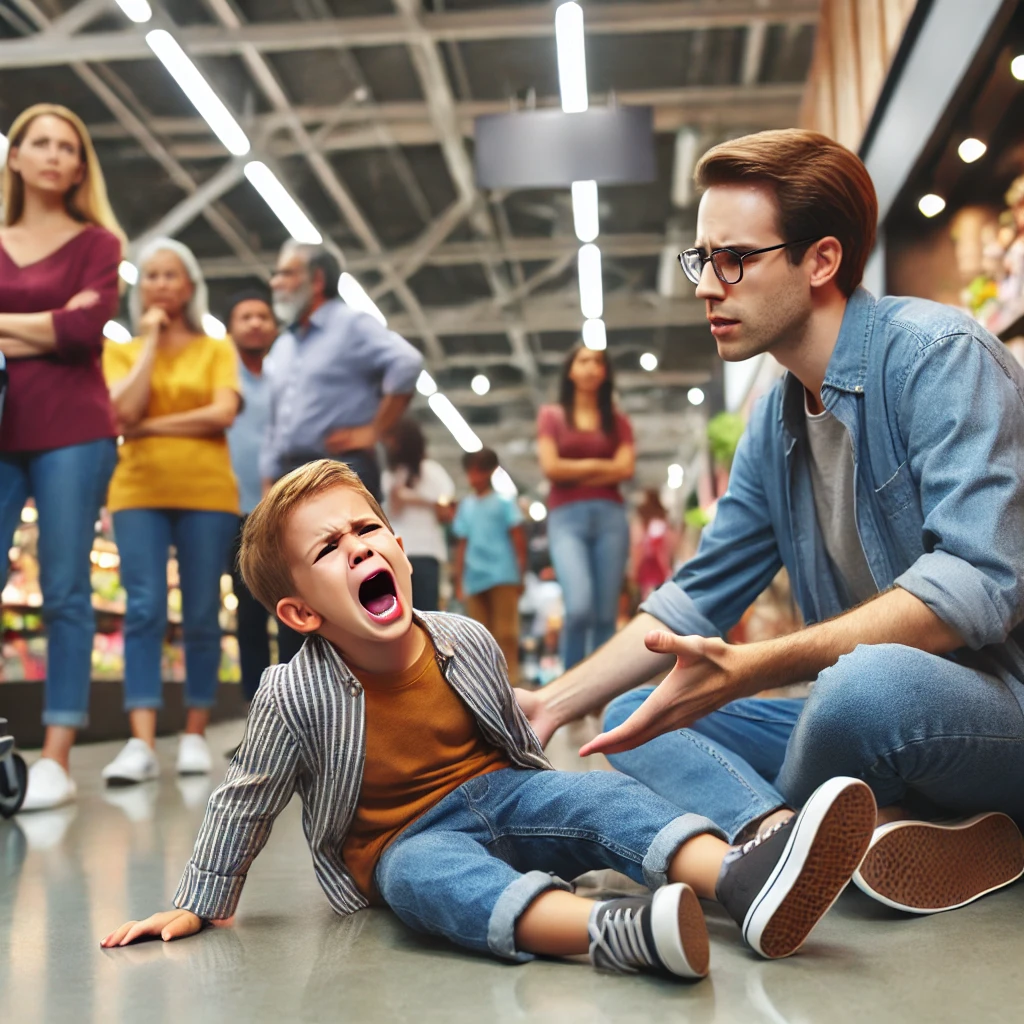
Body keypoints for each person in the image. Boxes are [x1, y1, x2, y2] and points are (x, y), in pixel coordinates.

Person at [99, 459, 879, 978]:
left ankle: (739, 877)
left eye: (366, 530)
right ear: (302, 612)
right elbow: (244, 800)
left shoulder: (463, 638)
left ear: (398, 547)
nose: (358, 549)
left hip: (505, 791)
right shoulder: (291, 693)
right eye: (328, 548)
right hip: (405, 840)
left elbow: (511, 738)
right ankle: (614, 933)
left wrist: (554, 796)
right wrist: (200, 898)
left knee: (599, 795)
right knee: (431, 884)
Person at [517, 128, 1024, 917]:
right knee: (633, 721)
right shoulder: (775, 420)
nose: (707, 287)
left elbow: (974, 585)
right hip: (871, 715)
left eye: (733, 259)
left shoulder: (939, 357)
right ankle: (801, 836)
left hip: (997, 709)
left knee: (860, 687)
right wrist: (551, 701)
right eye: (701, 260)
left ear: (820, 261)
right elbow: (695, 596)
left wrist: (755, 666)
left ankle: (786, 833)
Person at [0, 103, 124, 811]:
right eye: (39, 143)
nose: (52, 154)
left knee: (66, 590)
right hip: (3, 424)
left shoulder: (99, 244)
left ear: (80, 167)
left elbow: (84, 330)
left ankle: (55, 755)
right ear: (14, 156)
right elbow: (65, 325)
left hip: (75, 430)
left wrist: (24, 325)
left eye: (66, 147)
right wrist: (49, 323)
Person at [101, 238, 241, 784]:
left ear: (189, 286)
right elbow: (122, 410)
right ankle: (140, 741)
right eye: (151, 276)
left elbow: (222, 412)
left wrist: (152, 427)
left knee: (202, 611)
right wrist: (151, 341)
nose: (160, 284)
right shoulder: (122, 349)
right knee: (144, 610)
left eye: (170, 275)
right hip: (137, 490)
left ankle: (193, 733)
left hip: (207, 492)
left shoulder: (216, 348)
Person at [262, 241, 423, 663]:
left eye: (286, 273)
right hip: (287, 475)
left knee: (356, 580)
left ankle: (378, 678)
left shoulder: (351, 324)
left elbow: (406, 362)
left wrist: (374, 430)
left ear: (317, 280)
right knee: (294, 582)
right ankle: (302, 682)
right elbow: (274, 419)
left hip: (341, 473)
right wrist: (268, 481)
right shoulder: (283, 345)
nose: (275, 282)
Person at [537, 346, 635, 669]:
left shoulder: (618, 421)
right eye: (583, 360)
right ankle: (571, 687)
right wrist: (602, 465)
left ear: (605, 372)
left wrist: (573, 468)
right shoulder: (551, 416)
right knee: (579, 608)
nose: (591, 367)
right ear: (571, 370)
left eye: (598, 362)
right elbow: (551, 468)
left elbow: (626, 468)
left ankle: (604, 691)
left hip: (611, 518)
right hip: (566, 519)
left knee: (606, 615)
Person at [223, 289, 278, 702]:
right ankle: (256, 705)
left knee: (291, 605)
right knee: (247, 611)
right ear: (230, 328)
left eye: (263, 316)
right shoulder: (221, 376)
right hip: (225, 507)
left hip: (275, 510)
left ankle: (299, 702)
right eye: (246, 316)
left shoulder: (283, 380)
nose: (255, 323)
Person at [452, 448, 526, 682]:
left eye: (479, 471)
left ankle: (511, 681)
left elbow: (518, 539)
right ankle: (486, 684)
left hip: (503, 574)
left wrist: (521, 573)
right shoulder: (466, 506)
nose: (474, 477)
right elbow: (462, 545)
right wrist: (459, 580)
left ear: (490, 472)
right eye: (471, 471)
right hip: (474, 578)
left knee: (507, 631)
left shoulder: (505, 502)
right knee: (479, 635)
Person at [381, 417, 455, 612]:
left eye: (395, 440)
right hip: (398, 552)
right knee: (399, 612)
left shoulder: (433, 472)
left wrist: (416, 499)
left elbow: (445, 512)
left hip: (426, 552)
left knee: (427, 613)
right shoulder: (390, 476)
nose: (391, 445)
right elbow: (392, 511)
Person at [630, 489, 679, 603]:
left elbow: (637, 546)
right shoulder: (664, 521)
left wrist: (634, 569)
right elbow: (671, 545)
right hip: (662, 569)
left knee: (647, 599)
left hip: (647, 568)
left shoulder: (642, 522)